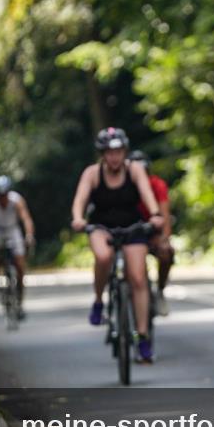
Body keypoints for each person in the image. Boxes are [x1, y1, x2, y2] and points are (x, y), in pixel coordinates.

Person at [70, 127, 165, 363]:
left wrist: (154, 214)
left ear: (125, 152)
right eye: (109, 153)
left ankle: (142, 336)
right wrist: (78, 219)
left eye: (118, 152)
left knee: (138, 278)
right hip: (101, 227)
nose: (114, 157)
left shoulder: (134, 170)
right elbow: (80, 200)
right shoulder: (92, 173)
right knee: (103, 257)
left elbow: (147, 196)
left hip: (132, 227)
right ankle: (99, 301)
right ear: (102, 154)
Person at [0, 176, 35, 318]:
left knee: (20, 265)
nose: (3, 198)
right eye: (0, 195)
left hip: (12, 229)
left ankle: (20, 302)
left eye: (5, 195)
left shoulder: (16, 200)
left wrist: (29, 235)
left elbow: (26, 218)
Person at [128, 150, 175, 316]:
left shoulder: (157, 185)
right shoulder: (123, 185)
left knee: (166, 252)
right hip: (129, 232)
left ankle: (160, 290)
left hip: (152, 231)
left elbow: (165, 216)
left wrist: (164, 239)